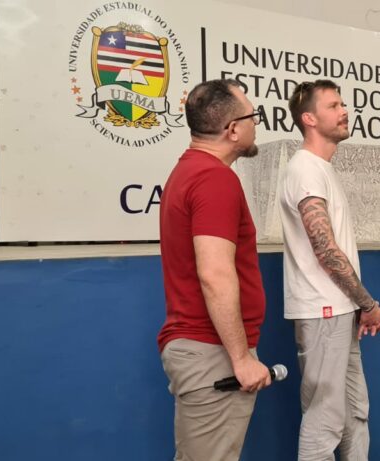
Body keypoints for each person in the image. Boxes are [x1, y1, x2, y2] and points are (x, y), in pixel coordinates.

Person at [157, 79, 272, 461]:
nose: (256, 124)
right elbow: (215, 274)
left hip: (204, 350)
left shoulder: (190, 171)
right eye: (253, 116)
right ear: (233, 129)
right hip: (213, 354)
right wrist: (240, 359)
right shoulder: (214, 179)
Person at [281, 79, 380, 461]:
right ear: (309, 118)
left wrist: (358, 305)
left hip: (341, 308)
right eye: (333, 106)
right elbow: (326, 250)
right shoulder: (305, 169)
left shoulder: (321, 169)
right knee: (324, 420)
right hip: (323, 310)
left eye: (343, 104)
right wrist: (367, 303)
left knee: (355, 413)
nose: (344, 111)